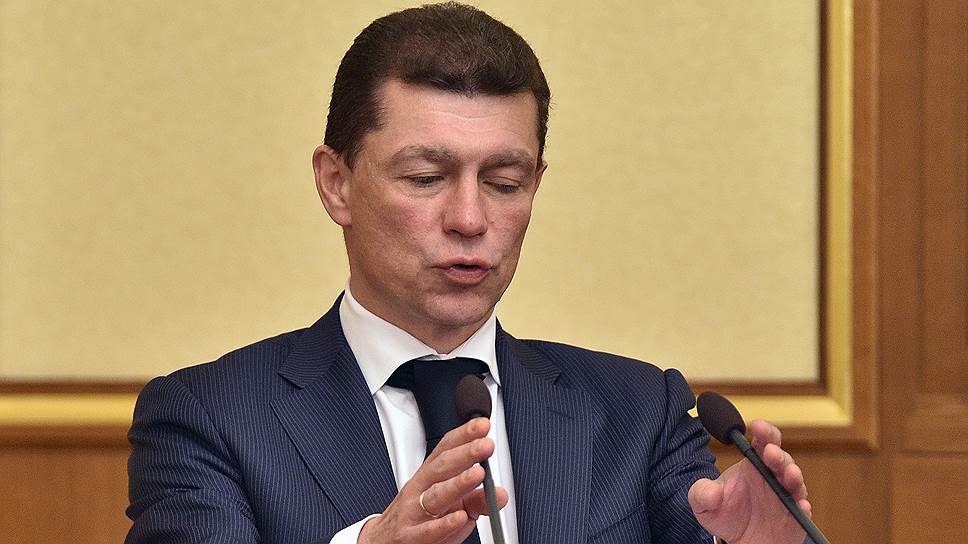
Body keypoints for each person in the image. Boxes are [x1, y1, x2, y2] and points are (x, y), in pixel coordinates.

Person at [125, 3, 812, 543]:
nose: (469, 218)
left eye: (504, 183)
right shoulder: (211, 418)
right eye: (426, 178)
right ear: (337, 184)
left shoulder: (638, 412)